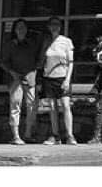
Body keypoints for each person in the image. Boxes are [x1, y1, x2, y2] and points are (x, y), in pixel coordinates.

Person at [0, 18, 39, 145]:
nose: (21, 30)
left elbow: (37, 60)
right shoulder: (10, 45)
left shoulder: (31, 44)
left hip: (30, 78)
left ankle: (28, 134)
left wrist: (34, 73)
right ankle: (15, 135)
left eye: (23, 27)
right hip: (15, 78)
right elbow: (3, 62)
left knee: (31, 106)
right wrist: (13, 73)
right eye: (19, 27)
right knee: (15, 105)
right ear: (15, 30)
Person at [39, 16, 76, 145]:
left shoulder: (66, 41)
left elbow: (71, 62)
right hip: (49, 77)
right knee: (53, 107)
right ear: (48, 27)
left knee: (65, 105)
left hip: (62, 77)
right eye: (52, 24)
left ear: (60, 27)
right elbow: (42, 59)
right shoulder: (46, 42)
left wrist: (67, 79)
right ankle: (55, 135)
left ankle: (70, 135)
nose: (54, 27)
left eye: (57, 24)